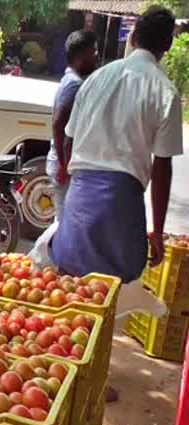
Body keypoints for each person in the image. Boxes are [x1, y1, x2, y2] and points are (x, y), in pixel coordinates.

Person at [51, 6, 183, 285]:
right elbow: (162, 169)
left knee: (66, 294)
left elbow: (69, 139)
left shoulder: (96, 79)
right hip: (121, 205)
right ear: (168, 45)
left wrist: (72, 178)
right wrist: (157, 232)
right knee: (109, 295)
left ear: (133, 36)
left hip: (80, 198)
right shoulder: (165, 92)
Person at [45, 30, 98, 221]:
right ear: (80, 56)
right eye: (93, 52)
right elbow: (59, 123)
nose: (96, 56)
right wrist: (63, 164)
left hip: (64, 162)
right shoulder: (75, 84)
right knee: (64, 226)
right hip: (64, 164)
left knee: (66, 223)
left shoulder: (71, 80)